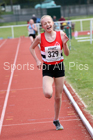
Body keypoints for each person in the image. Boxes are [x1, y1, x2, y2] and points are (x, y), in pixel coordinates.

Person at [29, 15, 69, 130]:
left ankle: (56, 120)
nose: (47, 25)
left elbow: (66, 54)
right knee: (48, 93)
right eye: (45, 23)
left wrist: (65, 44)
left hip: (59, 67)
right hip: (47, 68)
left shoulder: (60, 34)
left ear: (53, 23)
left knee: (58, 97)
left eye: (49, 22)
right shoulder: (39, 38)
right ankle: (49, 93)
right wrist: (37, 60)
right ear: (42, 26)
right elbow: (31, 48)